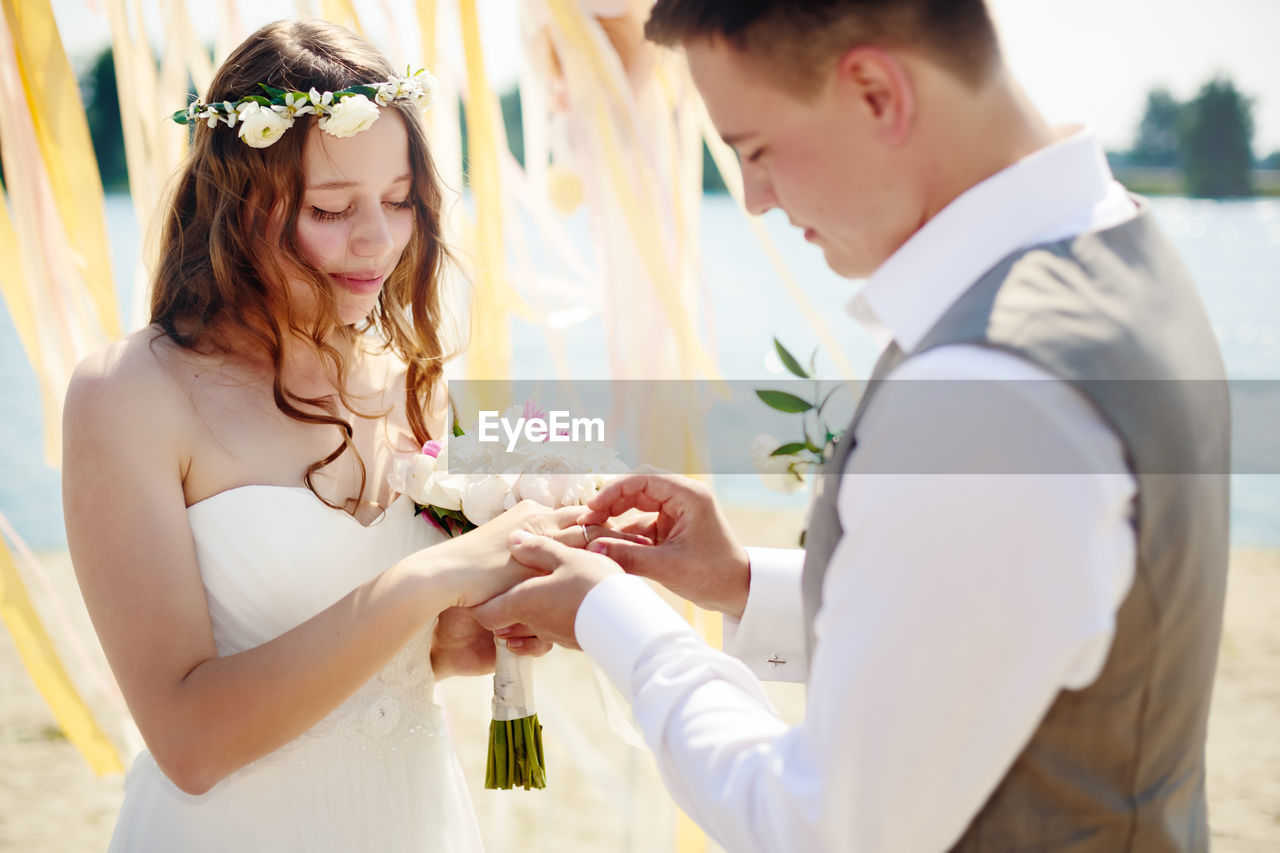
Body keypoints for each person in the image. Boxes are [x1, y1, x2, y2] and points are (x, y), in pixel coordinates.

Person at [473, 1, 1231, 851]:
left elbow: (821, 825)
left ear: (875, 92)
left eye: (754, 150)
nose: (754, 200)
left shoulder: (984, 398)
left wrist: (614, 619)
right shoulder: (1115, 244)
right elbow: (1001, 621)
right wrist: (739, 580)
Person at [62, 20, 587, 852]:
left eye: (400, 200)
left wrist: (486, 621)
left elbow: (406, 664)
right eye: (332, 209)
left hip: (413, 820)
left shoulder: (414, 380)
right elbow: (190, 741)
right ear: (238, 208)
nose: (377, 241)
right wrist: (434, 575)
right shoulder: (128, 396)